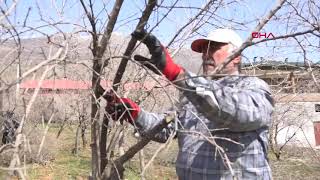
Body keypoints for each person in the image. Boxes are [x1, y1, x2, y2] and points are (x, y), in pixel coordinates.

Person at [106, 28, 274, 179]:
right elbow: (166, 129)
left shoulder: (253, 87)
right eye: (203, 50)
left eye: (214, 48)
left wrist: (177, 74)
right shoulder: (192, 95)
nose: (206, 54)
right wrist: (134, 113)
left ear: (237, 56)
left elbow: (236, 113)